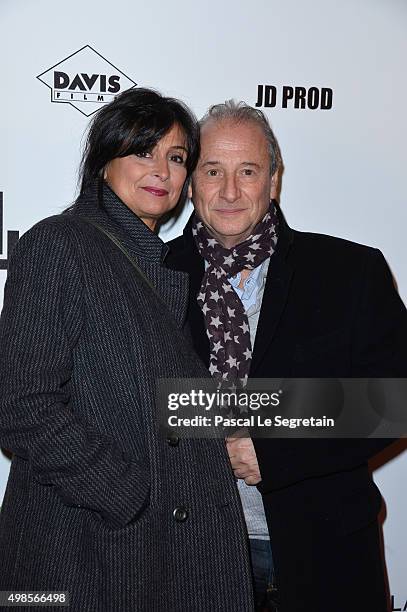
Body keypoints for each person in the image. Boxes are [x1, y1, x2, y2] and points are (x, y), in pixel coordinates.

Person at [0, 89, 255, 611]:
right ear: (104, 162)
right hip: (83, 548)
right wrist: (128, 494)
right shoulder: (61, 242)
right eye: (143, 151)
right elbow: (19, 402)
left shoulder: (165, 266)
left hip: (145, 549)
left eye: (177, 157)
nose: (160, 169)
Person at [166, 100, 407, 612]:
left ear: (273, 180)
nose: (229, 191)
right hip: (189, 559)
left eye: (248, 171)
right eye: (212, 171)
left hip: (323, 556)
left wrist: (273, 449)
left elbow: (395, 400)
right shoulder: (155, 276)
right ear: (190, 183)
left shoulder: (349, 272)